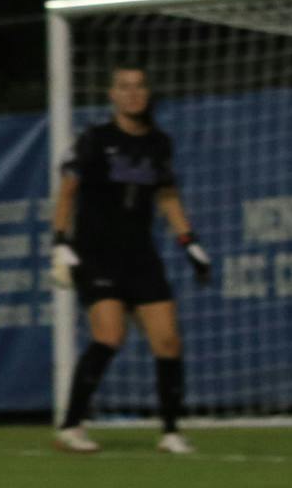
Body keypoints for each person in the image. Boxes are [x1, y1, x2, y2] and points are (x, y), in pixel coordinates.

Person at [49, 64, 211, 455]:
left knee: (168, 340)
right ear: (112, 95)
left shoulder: (159, 143)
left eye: (139, 86)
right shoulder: (95, 139)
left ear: (147, 93)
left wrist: (189, 243)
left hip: (141, 254)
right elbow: (69, 190)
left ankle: (171, 432)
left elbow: (167, 196)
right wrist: (59, 243)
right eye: (124, 86)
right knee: (109, 335)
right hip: (96, 253)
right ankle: (71, 426)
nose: (132, 93)